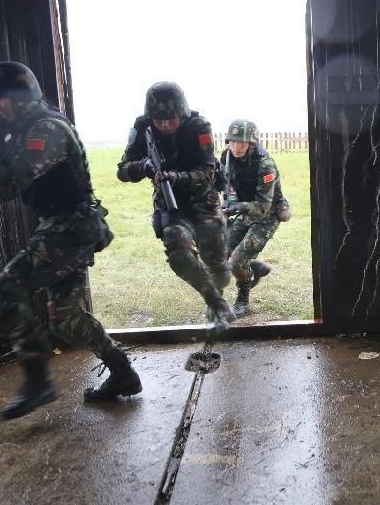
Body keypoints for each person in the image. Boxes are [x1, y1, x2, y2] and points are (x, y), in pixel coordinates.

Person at [0, 60, 142, 420]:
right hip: (64, 227)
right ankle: (123, 373)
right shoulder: (21, 131)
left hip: (69, 229)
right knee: (66, 318)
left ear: (20, 96)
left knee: (0, 297)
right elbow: (3, 189)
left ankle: (38, 382)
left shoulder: (46, 129)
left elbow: (12, 178)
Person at [116, 82, 235, 331]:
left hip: (204, 203)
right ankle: (216, 302)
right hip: (172, 208)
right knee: (180, 257)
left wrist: (176, 176)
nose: (165, 125)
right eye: (159, 120)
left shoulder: (198, 127)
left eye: (170, 118)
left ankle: (219, 290)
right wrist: (144, 167)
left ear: (181, 112)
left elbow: (206, 172)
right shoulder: (143, 127)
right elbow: (123, 171)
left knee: (220, 272)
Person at [219, 119, 292, 317]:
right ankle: (254, 267)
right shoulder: (227, 156)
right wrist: (228, 200)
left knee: (236, 262)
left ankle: (243, 297)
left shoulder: (265, 164)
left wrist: (234, 206)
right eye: (233, 142)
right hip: (244, 210)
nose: (236, 147)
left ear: (252, 143)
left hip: (266, 215)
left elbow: (262, 207)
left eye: (241, 143)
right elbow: (225, 183)